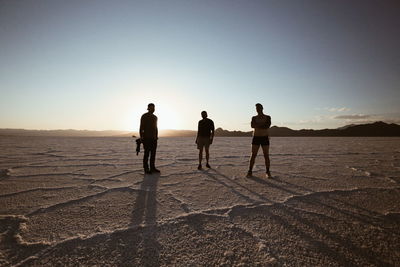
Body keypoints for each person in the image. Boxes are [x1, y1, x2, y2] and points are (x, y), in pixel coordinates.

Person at [247, 103, 272, 178]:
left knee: (266, 155)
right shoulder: (254, 118)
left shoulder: (267, 117)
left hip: (264, 137)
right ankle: (250, 171)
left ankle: (267, 171)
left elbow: (267, 125)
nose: (257, 110)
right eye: (256, 108)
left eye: (259, 108)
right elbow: (252, 125)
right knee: (253, 155)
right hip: (256, 137)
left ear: (262, 108)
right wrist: (261, 125)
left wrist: (257, 125)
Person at [140, 103, 160, 174]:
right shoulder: (144, 116)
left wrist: (156, 136)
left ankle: (152, 167)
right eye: (151, 108)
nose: (153, 109)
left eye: (153, 108)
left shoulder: (155, 117)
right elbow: (141, 127)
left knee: (153, 154)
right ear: (148, 108)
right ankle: (146, 168)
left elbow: (156, 127)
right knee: (147, 153)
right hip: (146, 138)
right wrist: (141, 137)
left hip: (154, 138)